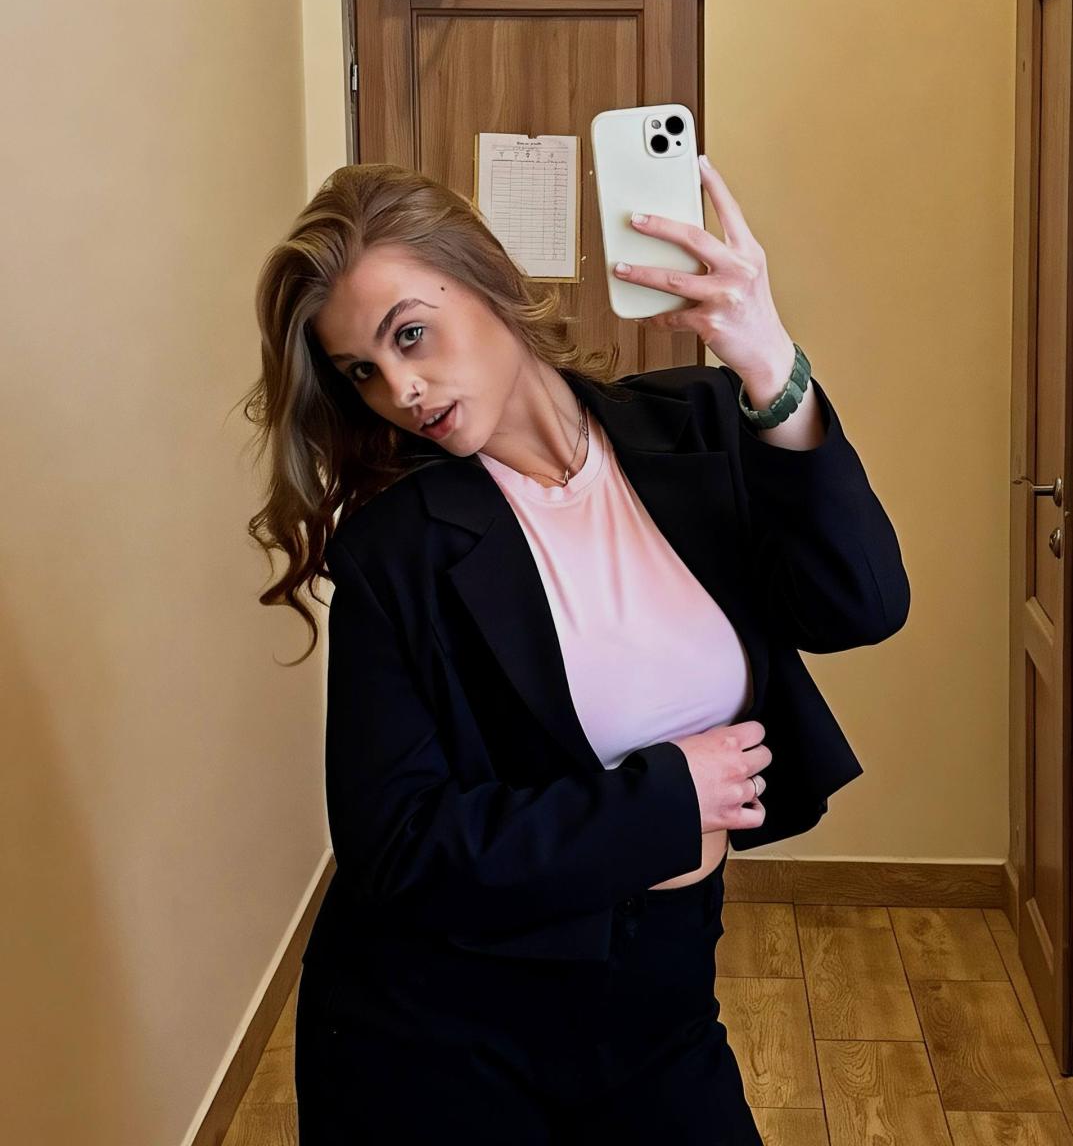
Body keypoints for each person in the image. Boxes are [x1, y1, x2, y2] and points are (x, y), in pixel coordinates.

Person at [241, 160, 910, 1143]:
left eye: (409, 333)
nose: (400, 389)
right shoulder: (398, 546)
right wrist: (665, 799)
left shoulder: (695, 425)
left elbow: (860, 605)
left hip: (659, 993)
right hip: (437, 1030)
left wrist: (770, 363)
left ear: (487, 279)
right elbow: (395, 844)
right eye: (361, 372)